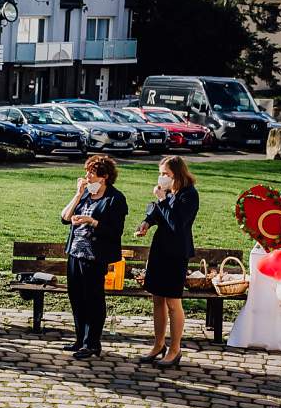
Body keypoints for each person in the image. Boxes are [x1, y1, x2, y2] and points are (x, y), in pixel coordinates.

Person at [59, 154, 128, 360]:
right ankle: (80, 339)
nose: (87, 177)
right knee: (77, 297)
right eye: (87, 172)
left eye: (92, 173)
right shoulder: (86, 195)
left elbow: (115, 231)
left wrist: (92, 221)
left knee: (93, 299)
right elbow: (64, 218)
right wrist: (77, 195)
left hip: (95, 256)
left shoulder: (115, 199)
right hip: (75, 252)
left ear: (104, 177)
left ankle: (92, 343)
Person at [135, 155, 199, 368]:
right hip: (159, 250)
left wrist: (162, 199)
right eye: (160, 173)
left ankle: (175, 348)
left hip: (176, 253)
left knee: (173, 301)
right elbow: (156, 212)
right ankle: (158, 344)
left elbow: (176, 222)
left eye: (166, 174)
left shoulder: (189, 195)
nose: (162, 177)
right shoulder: (169, 193)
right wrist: (147, 221)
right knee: (157, 299)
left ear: (177, 175)